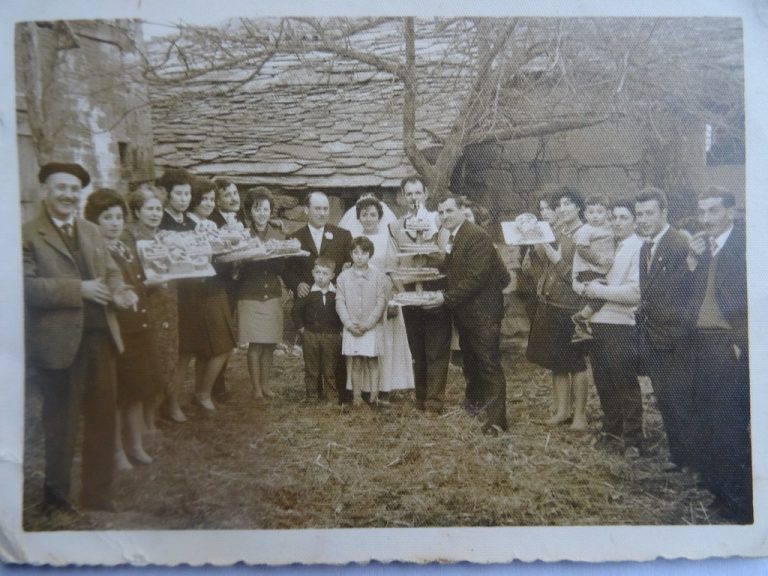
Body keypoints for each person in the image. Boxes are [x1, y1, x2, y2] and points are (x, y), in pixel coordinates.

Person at [23, 162, 136, 512]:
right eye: (61, 188)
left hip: (101, 340)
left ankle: (97, 495)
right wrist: (80, 289)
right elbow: (24, 287)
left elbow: (111, 272)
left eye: (74, 189)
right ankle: (56, 499)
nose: (69, 195)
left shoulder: (89, 230)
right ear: (45, 190)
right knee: (61, 424)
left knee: (102, 418)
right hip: (58, 347)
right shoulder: (27, 234)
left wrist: (120, 292)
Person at [685, 187, 751, 522]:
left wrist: (741, 341)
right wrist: (695, 263)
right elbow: (699, 297)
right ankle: (719, 493)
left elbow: (754, 300)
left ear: (731, 212)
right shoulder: (706, 249)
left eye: (713, 211)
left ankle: (740, 506)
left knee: (730, 425)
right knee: (707, 420)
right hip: (702, 344)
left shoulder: (744, 247)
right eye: (702, 211)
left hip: (728, 346)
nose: (706, 219)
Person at [85, 188, 159, 470]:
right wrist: (143, 288)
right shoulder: (94, 253)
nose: (114, 223)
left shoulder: (124, 247)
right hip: (115, 331)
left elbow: (137, 283)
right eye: (107, 218)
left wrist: (148, 287)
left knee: (137, 389)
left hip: (138, 325)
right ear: (94, 222)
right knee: (117, 395)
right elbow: (106, 291)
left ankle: (136, 445)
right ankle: (116, 451)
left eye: (118, 217)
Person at [428, 195, 510, 435]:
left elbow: (476, 277)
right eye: (441, 213)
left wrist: (445, 298)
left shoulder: (476, 236)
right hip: (467, 313)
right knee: (471, 362)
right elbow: (458, 270)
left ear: (462, 211)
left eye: (450, 211)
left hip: (482, 313)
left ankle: (497, 420)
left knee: (488, 364)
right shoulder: (456, 236)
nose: (445, 216)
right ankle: (475, 404)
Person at [573, 199, 644, 458]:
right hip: (598, 322)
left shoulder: (637, 247)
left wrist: (599, 290)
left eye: (623, 218)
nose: (616, 222)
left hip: (620, 322)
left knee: (624, 380)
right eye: (613, 217)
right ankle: (612, 430)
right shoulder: (608, 243)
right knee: (603, 379)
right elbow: (585, 275)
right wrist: (583, 287)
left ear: (635, 221)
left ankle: (633, 438)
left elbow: (635, 292)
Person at [634, 186, 695, 472]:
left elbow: (689, 294)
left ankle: (692, 460)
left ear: (664, 212)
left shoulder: (678, 244)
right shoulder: (646, 246)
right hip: (654, 337)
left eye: (649, 213)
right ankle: (679, 455)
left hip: (676, 339)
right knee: (666, 398)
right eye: (639, 214)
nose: (643, 219)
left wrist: (680, 334)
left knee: (682, 399)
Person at [525, 187, 591, 431]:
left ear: (579, 207)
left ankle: (580, 416)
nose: (562, 209)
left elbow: (582, 279)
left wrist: (557, 261)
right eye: (559, 205)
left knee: (576, 363)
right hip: (552, 303)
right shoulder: (560, 231)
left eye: (567, 204)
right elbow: (540, 270)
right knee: (557, 362)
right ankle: (562, 410)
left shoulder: (585, 234)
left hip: (571, 307)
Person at [387, 176, 451, 414]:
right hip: (409, 291)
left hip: (435, 289)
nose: (414, 198)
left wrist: (428, 236)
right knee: (417, 349)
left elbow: (446, 255)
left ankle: (435, 401)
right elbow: (392, 263)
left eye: (418, 193)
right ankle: (421, 396)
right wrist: (403, 293)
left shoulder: (438, 221)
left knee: (436, 347)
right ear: (403, 197)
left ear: (425, 194)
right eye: (409, 194)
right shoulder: (396, 226)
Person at [341, 195, 414, 399]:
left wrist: (392, 298)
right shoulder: (354, 239)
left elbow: (392, 269)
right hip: (359, 300)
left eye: (373, 214)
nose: (369, 218)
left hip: (384, 294)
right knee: (360, 344)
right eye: (364, 214)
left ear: (379, 217)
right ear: (358, 217)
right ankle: (360, 389)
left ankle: (384, 388)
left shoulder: (387, 238)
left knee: (384, 344)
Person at [174, 176, 237, 413]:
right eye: (204, 200)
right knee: (188, 349)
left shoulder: (210, 225)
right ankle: (174, 400)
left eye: (212, 199)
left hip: (214, 288)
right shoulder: (186, 226)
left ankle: (202, 392)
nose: (210, 204)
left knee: (221, 346)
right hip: (192, 292)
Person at [284, 191, 353, 404]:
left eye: (325, 209)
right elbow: (287, 268)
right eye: (317, 208)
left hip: (333, 301)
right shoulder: (295, 237)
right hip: (309, 304)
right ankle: (313, 393)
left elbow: (348, 266)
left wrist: (339, 287)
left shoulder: (342, 235)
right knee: (313, 352)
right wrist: (297, 284)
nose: (322, 213)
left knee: (334, 348)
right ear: (307, 210)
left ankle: (338, 392)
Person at [125, 184, 182, 424]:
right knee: (151, 357)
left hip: (168, 302)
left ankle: (169, 402)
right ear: (137, 211)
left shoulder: (164, 235)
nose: (155, 213)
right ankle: (149, 413)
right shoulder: (130, 237)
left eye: (158, 209)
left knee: (170, 354)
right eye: (149, 209)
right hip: (145, 302)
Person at [237, 187, 287, 399]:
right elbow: (237, 266)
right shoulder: (242, 235)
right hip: (250, 294)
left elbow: (284, 265)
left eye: (265, 209)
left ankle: (266, 385)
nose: (262, 213)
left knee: (269, 343)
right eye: (257, 209)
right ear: (249, 211)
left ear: (271, 211)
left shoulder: (279, 233)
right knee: (255, 344)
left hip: (273, 293)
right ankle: (256, 388)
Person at [335, 237, 389, 405]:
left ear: (370, 254)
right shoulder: (343, 277)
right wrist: (349, 324)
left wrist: (368, 323)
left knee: (372, 361)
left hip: (370, 327)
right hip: (352, 326)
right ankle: (356, 397)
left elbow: (381, 302)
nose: (359, 257)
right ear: (351, 254)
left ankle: (374, 396)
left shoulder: (378, 277)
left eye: (364, 253)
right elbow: (339, 302)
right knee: (356, 362)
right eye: (356, 253)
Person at [292, 257, 344, 401]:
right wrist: (302, 329)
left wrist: (340, 331)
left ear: (332, 276)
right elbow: (296, 311)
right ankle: (312, 396)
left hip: (331, 336)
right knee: (312, 368)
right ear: (312, 273)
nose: (320, 277)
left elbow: (342, 312)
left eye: (325, 274)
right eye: (317, 273)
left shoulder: (336, 293)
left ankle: (331, 396)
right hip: (311, 335)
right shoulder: (307, 293)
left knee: (329, 368)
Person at [570, 194, 615, 342]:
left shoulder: (607, 227)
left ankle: (581, 327)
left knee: (593, 297)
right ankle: (580, 318)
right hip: (589, 269)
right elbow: (582, 248)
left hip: (600, 269)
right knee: (600, 294)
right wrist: (599, 259)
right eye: (591, 212)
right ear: (585, 214)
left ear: (607, 213)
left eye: (599, 212)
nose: (595, 216)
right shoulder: (586, 229)